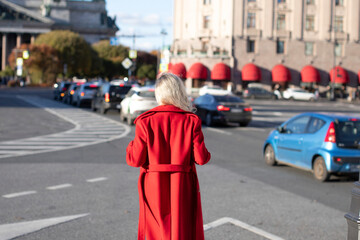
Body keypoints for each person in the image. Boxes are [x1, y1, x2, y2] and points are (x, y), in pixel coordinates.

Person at [126, 72, 211, 240]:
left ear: (159, 93)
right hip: (183, 185)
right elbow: (202, 158)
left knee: (155, 231)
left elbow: (134, 160)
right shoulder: (191, 121)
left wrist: (130, 146)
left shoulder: (145, 121)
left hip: (153, 185)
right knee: (182, 229)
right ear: (179, 92)